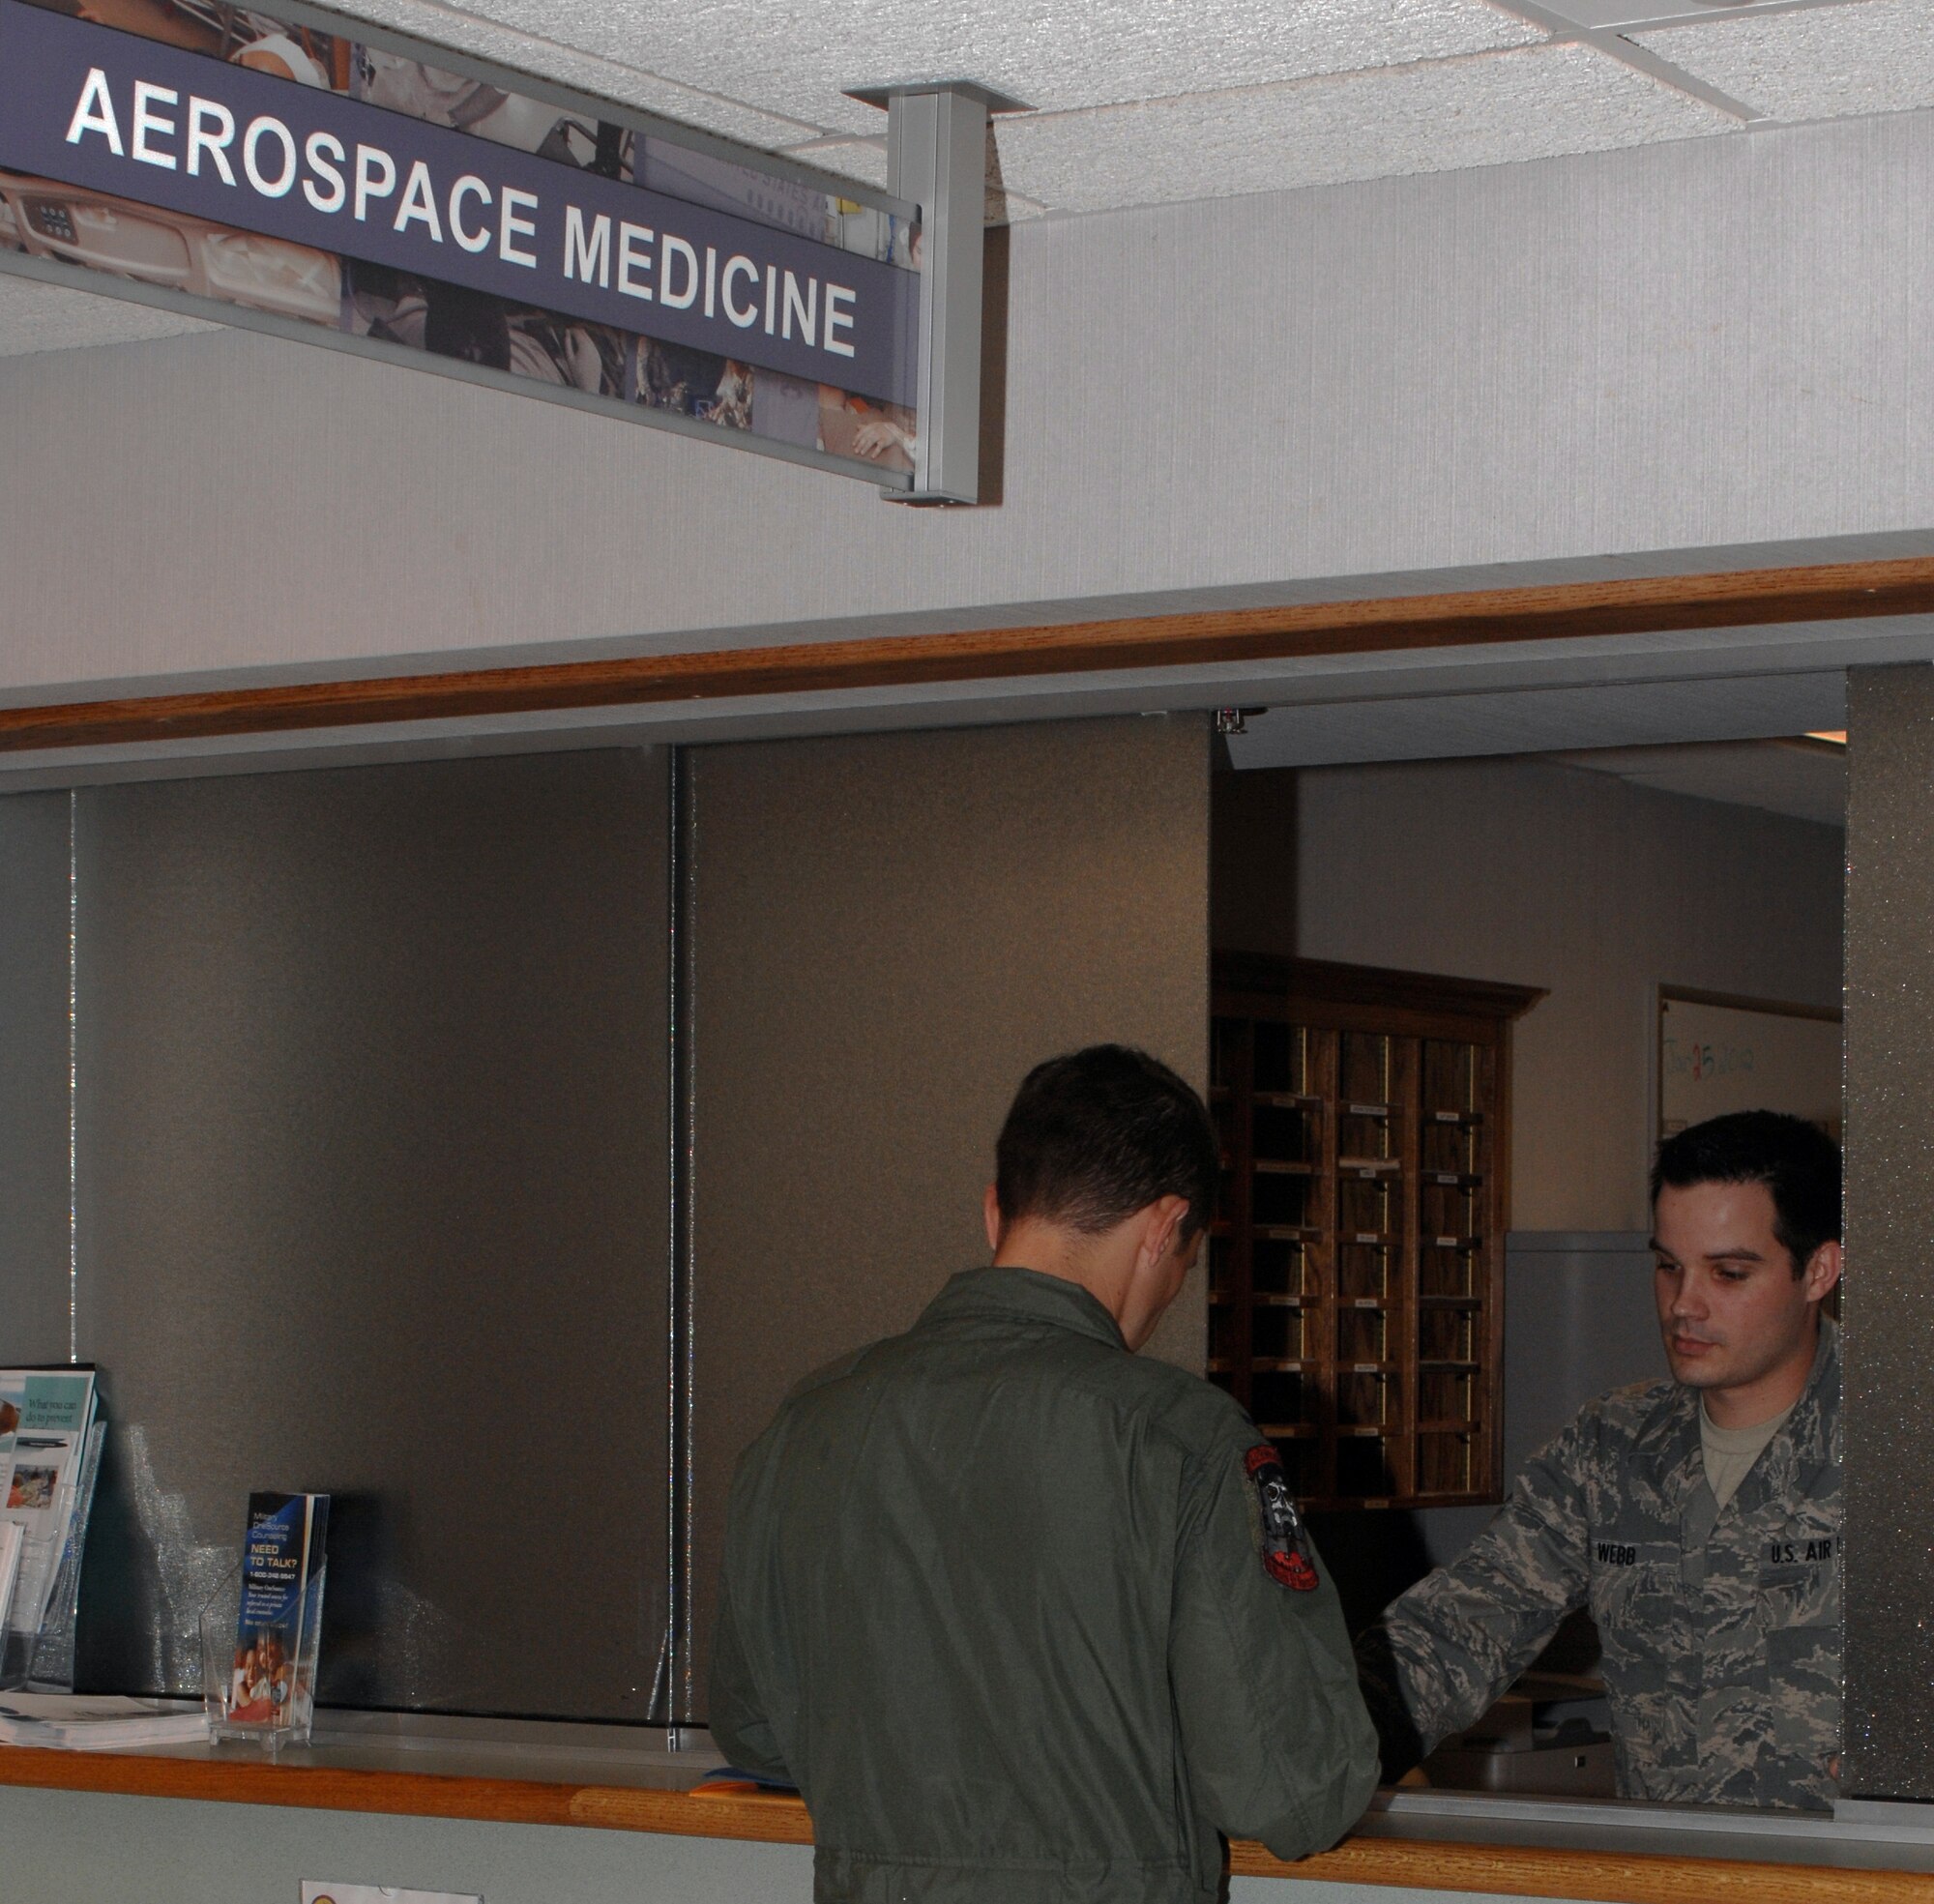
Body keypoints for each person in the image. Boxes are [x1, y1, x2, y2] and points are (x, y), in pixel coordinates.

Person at [710, 1044, 1380, 1901]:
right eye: (1184, 1261)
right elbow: (1292, 1789)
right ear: (1164, 1228)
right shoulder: (1182, 1440)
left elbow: (758, 1731)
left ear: (996, 1215)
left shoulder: (804, 1426)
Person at [1356, 1110, 1842, 1811]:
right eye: (1668, 1266)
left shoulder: (1898, 1450)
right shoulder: (1612, 1448)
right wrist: (1308, 1746)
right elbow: (1460, 1629)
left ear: (1819, 1269)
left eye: (1729, 1273)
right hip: (1663, 1875)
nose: (1684, 1304)